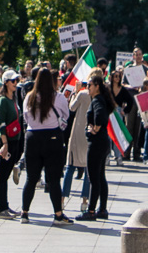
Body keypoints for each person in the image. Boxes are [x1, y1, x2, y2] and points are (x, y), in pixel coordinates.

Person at [20, 65, 69, 223]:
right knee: (53, 179)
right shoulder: (59, 97)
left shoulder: (29, 97)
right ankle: (58, 214)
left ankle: (25, 212)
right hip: (52, 137)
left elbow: (26, 118)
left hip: (33, 136)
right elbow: (66, 115)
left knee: (31, 178)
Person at [83, 72, 112, 222]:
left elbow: (100, 116)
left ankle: (91, 210)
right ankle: (102, 209)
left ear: (97, 86)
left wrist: (94, 128)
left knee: (94, 177)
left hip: (96, 142)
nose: (87, 88)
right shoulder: (100, 99)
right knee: (100, 176)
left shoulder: (97, 100)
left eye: (89, 85)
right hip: (102, 142)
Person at [0, 72, 23, 218]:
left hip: (14, 140)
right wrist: (4, 144)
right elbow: (1, 123)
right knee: (2, 175)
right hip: (7, 141)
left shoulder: (13, 99)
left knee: (5, 175)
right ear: (6, 82)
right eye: (12, 80)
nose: (15, 82)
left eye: (16, 80)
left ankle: (5, 206)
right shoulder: (3, 101)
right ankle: (1, 208)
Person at [61, 79, 89, 209]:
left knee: (71, 165)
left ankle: (62, 199)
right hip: (90, 132)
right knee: (89, 168)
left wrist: (75, 92)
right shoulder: (100, 96)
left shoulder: (82, 94)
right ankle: (84, 201)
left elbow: (71, 107)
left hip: (78, 131)